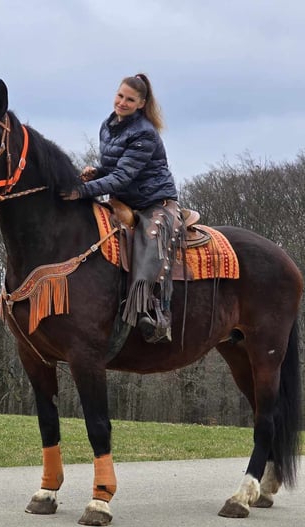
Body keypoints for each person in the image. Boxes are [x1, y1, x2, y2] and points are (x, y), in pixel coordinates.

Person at [61, 73, 179, 343]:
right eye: (120, 96)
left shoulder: (145, 134)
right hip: (123, 200)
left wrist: (81, 191)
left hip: (153, 201)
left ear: (141, 103)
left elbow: (124, 176)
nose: (122, 102)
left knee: (151, 242)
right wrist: (98, 172)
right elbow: (119, 168)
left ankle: (156, 312)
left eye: (130, 99)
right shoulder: (108, 124)